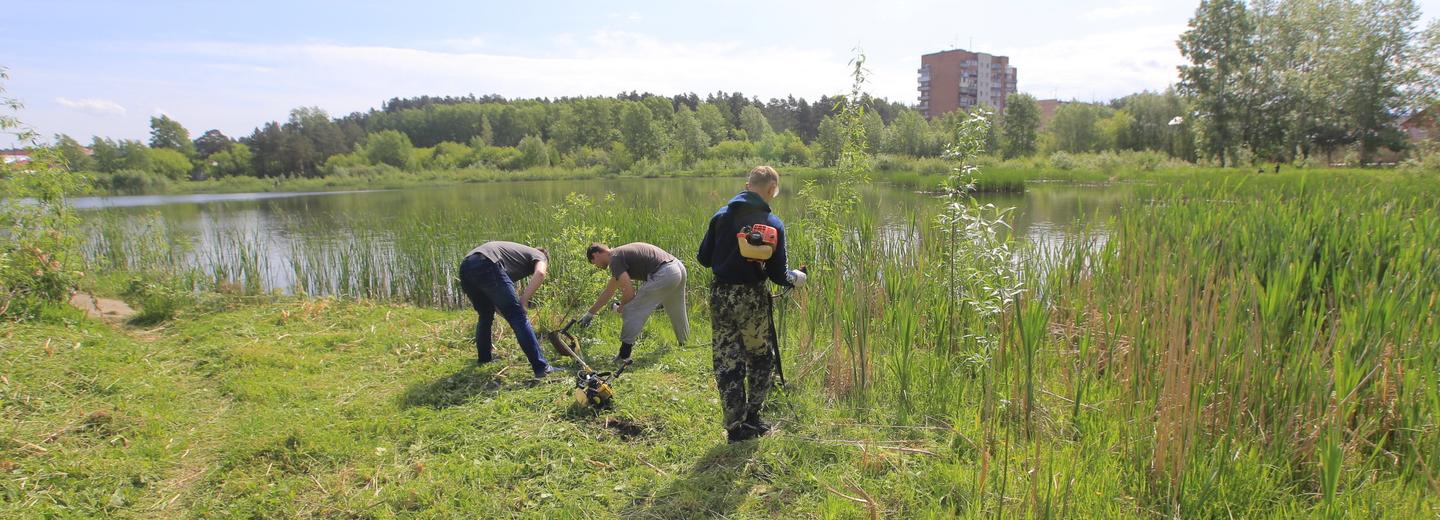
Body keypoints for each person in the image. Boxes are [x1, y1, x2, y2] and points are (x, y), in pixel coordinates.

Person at [696, 166, 807, 443]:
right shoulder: (772, 223)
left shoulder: (720, 216)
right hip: (752, 298)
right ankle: (754, 417)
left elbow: (703, 259)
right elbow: (777, 276)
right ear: (771, 189)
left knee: (726, 359)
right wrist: (797, 278)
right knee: (759, 357)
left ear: (747, 185)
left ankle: (735, 428)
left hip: (720, 295)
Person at [458, 241, 556, 378]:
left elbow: (498, 302)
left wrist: (511, 315)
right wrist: (523, 300)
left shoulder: (514, 258)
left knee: (485, 315)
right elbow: (540, 273)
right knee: (519, 317)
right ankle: (542, 368)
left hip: (466, 267)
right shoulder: (539, 255)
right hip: (487, 262)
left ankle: (484, 359)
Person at [577, 242, 689, 362]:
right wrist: (589, 314)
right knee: (676, 308)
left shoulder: (614, 259)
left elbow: (629, 292)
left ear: (596, 254)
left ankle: (624, 355)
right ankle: (685, 343)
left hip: (665, 273)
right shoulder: (620, 255)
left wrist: (623, 307)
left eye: (594, 263)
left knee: (632, 310)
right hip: (677, 268)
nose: (597, 266)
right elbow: (609, 291)